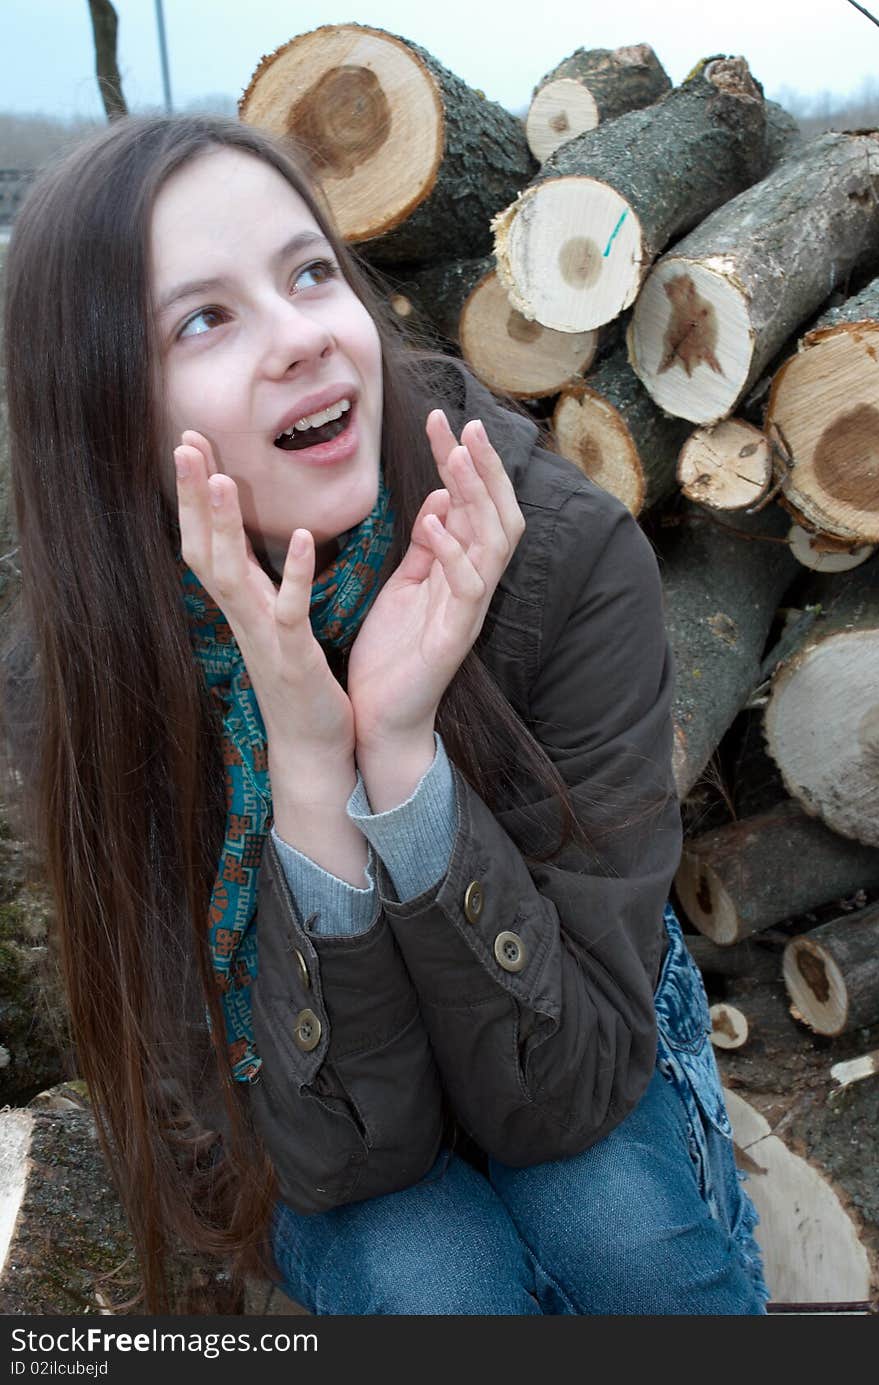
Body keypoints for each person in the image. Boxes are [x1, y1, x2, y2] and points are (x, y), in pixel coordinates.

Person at [1, 113, 769, 1317]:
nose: (303, 336)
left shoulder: (555, 559)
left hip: (561, 1025)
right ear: (101, 409)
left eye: (310, 272)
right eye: (204, 318)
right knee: (432, 1280)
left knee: (623, 1237)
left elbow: (560, 1089)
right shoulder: (88, 677)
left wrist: (402, 756)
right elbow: (340, 1153)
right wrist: (311, 774)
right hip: (324, 1109)